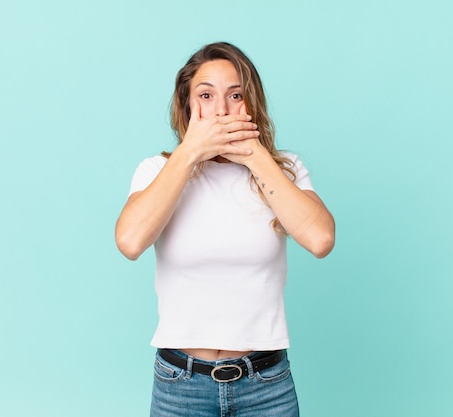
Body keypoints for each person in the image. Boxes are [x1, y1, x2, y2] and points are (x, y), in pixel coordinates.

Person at [115, 42, 335, 417]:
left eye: (235, 95)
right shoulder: (157, 171)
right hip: (180, 384)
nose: (221, 110)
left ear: (251, 103)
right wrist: (190, 152)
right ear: (187, 105)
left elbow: (320, 240)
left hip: (267, 385)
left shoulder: (284, 169)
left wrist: (254, 155)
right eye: (206, 95)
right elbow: (131, 241)